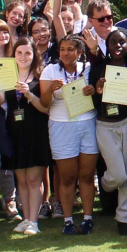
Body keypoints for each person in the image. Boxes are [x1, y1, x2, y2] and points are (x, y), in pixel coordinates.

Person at [41, 35, 101, 235]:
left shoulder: (88, 69)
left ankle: (87, 218)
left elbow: (100, 90)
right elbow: (44, 103)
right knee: (67, 177)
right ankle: (67, 220)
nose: (65, 53)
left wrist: (93, 90)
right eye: (62, 49)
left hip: (87, 123)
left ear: (80, 52)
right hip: (61, 126)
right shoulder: (50, 70)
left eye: (70, 49)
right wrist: (50, 89)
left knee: (86, 175)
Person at [88, 30, 127, 235]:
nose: (118, 46)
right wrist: (98, 91)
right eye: (114, 42)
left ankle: (124, 218)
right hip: (105, 126)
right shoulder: (97, 69)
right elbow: (91, 103)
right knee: (118, 176)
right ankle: (105, 184)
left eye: (122, 42)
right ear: (108, 45)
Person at [1, 37, 56, 235]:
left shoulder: (41, 76)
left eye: (27, 53)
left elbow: (45, 107)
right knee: (22, 180)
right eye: (19, 53)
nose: (23, 57)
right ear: (13, 55)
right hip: (15, 133)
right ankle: (26, 219)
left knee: (34, 180)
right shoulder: (7, 77)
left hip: (36, 132)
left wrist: (29, 95)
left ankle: (34, 221)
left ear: (34, 55)